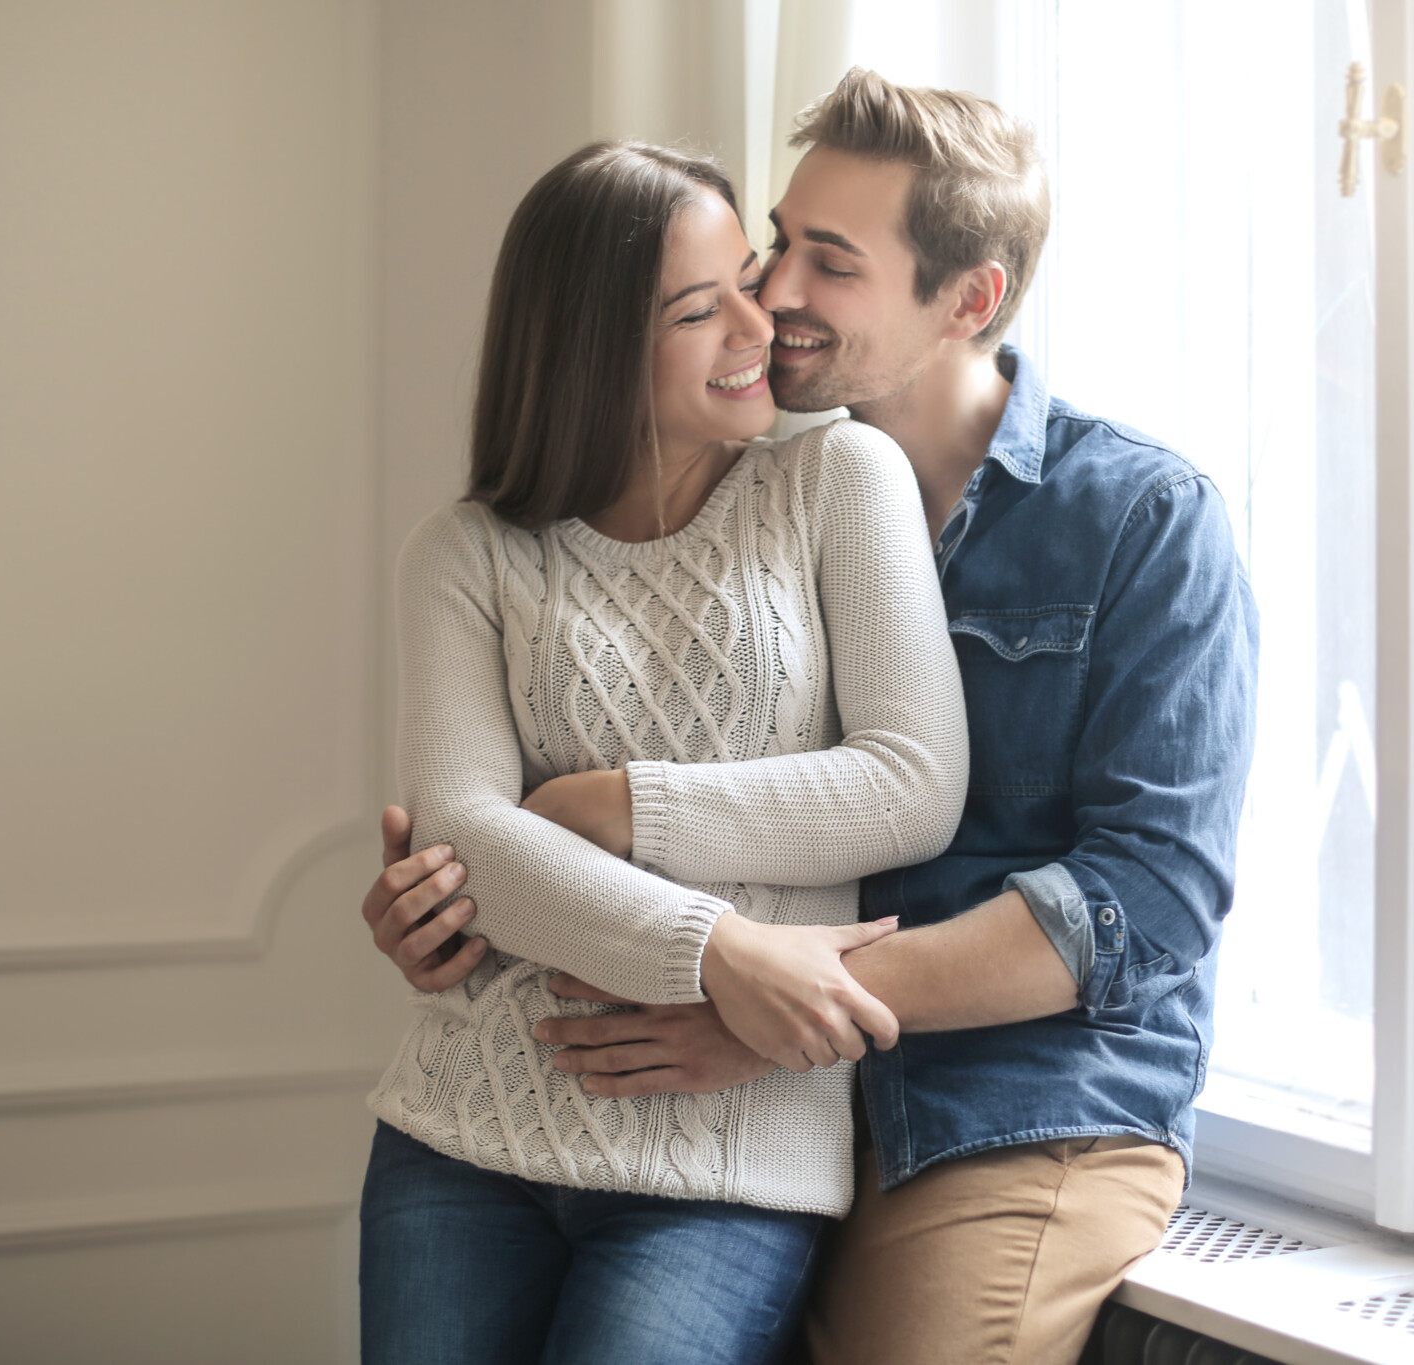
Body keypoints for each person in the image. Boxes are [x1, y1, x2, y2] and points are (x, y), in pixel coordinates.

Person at [365, 70, 1259, 1365]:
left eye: (826, 263)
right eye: (778, 241)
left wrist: (748, 992)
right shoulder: (734, 498)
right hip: (724, 1078)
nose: (772, 295)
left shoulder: (1137, 523)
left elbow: (1148, 901)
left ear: (970, 301)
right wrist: (465, 900)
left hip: (1005, 1101)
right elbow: (487, 822)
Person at [358, 137, 969, 1365]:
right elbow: (469, 845)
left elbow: (910, 784)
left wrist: (618, 808)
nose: (763, 321)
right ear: (591, 349)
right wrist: (718, 951)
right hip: (462, 1137)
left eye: (749, 275)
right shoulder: (465, 554)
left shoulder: (839, 480)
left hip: (723, 1166)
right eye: (702, 308)